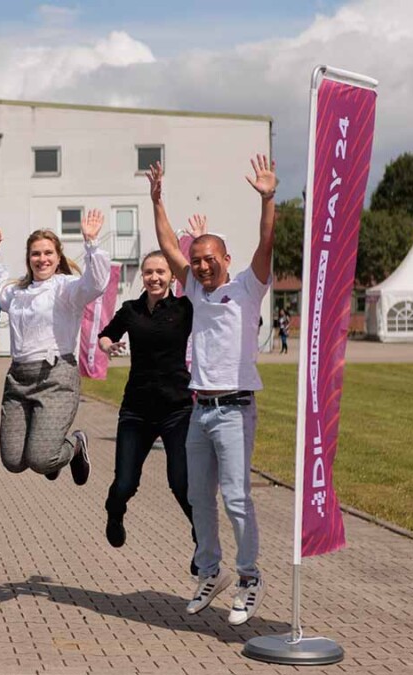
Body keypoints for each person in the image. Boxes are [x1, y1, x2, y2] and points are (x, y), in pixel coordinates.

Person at [148, 155, 277, 626]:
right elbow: (167, 244)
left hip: (235, 410)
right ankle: (210, 571)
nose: (201, 267)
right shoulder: (197, 291)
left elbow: (267, 241)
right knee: (197, 496)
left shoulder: (248, 287)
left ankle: (249, 578)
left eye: (210, 260)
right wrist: (156, 199)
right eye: (196, 260)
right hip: (200, 409)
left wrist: (267, 198)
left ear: (227, 259)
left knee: (236, 497)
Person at [0, 212, 112, 485]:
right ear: (28, 258)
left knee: (41, 459)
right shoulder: (18, 291)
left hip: (56, 376)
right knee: (13, 461)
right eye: (36, 254)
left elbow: (97, 283)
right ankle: (51, 449)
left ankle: (74, 446)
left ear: (58, 256)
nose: (42, 259)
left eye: (48, 253)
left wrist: (92, 243)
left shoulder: (67, 288)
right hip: (19, 378)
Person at [98, 244, 204, 578]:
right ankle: (115, 513)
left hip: (177, 409)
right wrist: (108, 345)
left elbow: (207, 289)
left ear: (172, 277)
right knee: (125, 483)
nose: (154, 277)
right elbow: (105, 336)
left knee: (182, 483)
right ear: (141, 277)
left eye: (161, 272)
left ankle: (203, 540)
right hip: (136, 410)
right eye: (149, 272)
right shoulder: (130, 310)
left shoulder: (186, 308)